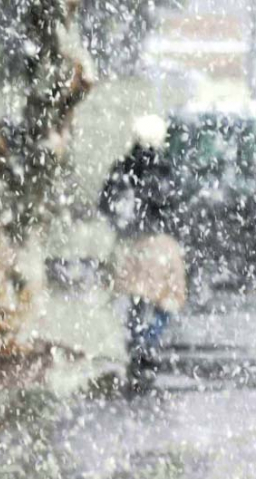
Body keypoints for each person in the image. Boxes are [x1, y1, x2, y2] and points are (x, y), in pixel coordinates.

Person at [99, 114, 186, 392]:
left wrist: (122, 226)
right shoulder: (164, 170)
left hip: (128, 246)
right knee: (168, 299)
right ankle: (148, 341)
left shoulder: (122, 168)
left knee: (134, 300)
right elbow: (174, 204)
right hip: (160, 246)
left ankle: (136, 341)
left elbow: (106, 204)